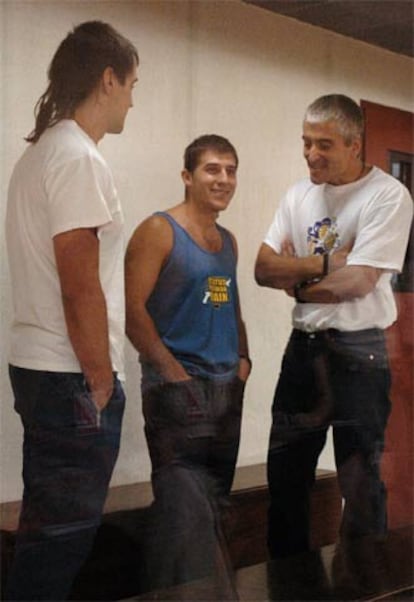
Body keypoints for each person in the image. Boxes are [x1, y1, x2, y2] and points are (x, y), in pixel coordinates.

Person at [5, 21, 138, 600]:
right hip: (71, 376)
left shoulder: (39, 155)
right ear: (108, 80)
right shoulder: (79, 157)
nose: (133, 98)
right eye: (132, 84)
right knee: (59, 546)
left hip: (42, 369)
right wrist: (102, 381)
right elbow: (79, 284)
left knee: (47, 537)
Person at [255, 94, 413, 558]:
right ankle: (288, 586)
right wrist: (325, 262)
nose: (311, 154)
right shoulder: (297, 194)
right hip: (303, 349)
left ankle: (362, 585)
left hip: (359, 352)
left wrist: (299, 281)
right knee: (285, 476)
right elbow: (264, 268)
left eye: (324, 144)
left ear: (354, 144)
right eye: (306, 143)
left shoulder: (387, 196)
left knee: (360, 482)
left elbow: (360, 280)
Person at [125, 134, 251, 590]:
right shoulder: (159, 231)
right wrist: (174, 374)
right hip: (178, 393)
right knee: (183, 520)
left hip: (226, 392)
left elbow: (231, 306)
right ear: (187, 176)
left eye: (231, 170)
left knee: (216, 511)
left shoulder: (228, 241)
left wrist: (242, 361)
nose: (223, 179)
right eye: (212, 169)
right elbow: (132, 311)